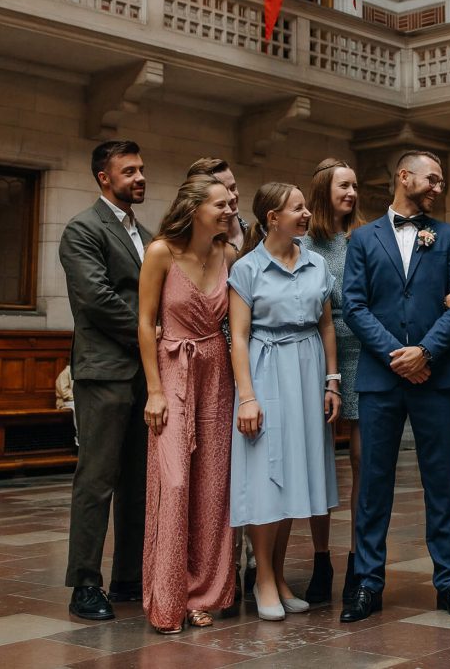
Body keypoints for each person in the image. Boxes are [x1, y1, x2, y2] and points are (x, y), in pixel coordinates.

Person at [340, 150, 450, 623]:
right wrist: (398, 355)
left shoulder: (449, 237)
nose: (438, 186)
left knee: (441, 483)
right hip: (381, 378)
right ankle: (367, 584)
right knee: (373, 484)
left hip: (434, 377)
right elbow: (354, 306)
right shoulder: (362, 238)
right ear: (403, 176)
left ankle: (449, 582)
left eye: (440, 181)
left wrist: (426, 352)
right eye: (431, 178)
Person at [227, 183, 341, 621]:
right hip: (266, 368)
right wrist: (247, 397)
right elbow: (238, 337)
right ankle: (261, 578)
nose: (307, 213)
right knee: (265, 476)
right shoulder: (247, 268)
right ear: (272, 217)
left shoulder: (316, 263)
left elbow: (326, 325)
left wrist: (332, 382)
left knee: (294, 474)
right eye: (298, 208)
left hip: (308, 369)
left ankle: (277, 573)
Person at [136, 174, 240, 633]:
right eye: (220, 204)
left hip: (216, 373)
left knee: (212, 486)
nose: (229, 210)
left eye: (230, 204)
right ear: (194, 208)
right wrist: (154, 390)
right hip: (173, 369)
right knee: (175, 481)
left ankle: (202, 595)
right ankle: (167, 597)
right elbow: (145, 322)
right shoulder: (161, 252)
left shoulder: (228, 255)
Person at [59, 139, 149, 621]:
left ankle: (129, 577)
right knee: (96, 479)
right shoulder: (83, 229)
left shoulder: (147, 234)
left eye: (141, 169)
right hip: (104, 371)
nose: (139, 177)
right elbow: (96, 298)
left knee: (138, 480)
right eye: (129, 171)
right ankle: (85, 584)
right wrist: (150, 335)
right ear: (104, 178)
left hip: (145, 374)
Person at [300, 159, 365, 604]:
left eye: (355, 186)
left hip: (360, 350)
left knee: (363, 457)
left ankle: (359, 558)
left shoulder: (363, 238)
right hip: (313, 350)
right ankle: (321, 557)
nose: (352, 193)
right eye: (344, 186)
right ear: (324, 190)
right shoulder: (302, 242)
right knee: (318, 460)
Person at [185, 158, 245, 252]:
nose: (232, 197)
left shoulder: (259, 235)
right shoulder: (188, 246)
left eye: (233, 188)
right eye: (223, 191)